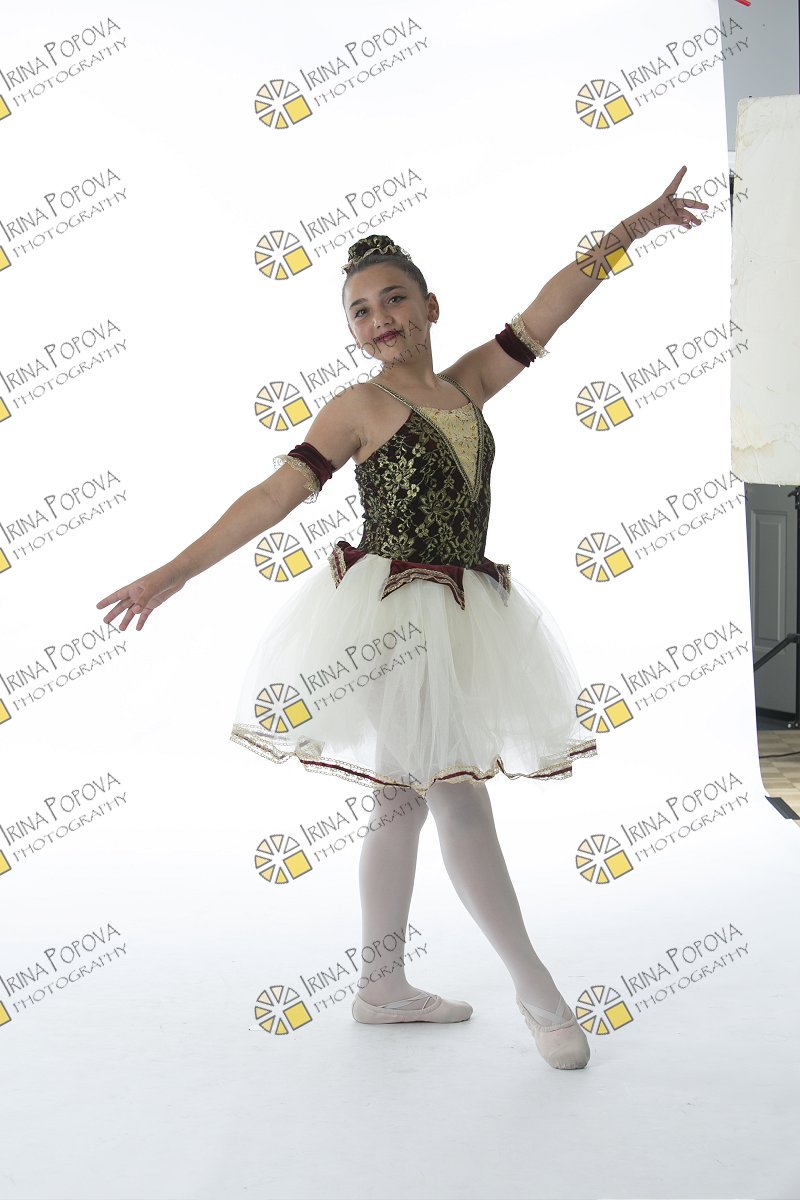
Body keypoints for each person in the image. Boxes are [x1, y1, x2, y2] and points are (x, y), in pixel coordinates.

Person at [96, 167, 708, 1070]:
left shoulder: (466, 386)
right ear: (352, 332)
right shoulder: (360, 406)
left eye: (393, 299)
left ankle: (380, 987)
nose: (378, 318)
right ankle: (538, 992)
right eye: (359, 311)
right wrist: (174, 573)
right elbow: (274, 494)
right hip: (387, 619)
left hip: (461, 604)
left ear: (429, 307)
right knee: (454, 791)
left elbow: (549, 310)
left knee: (400, 799)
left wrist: (635, 227)